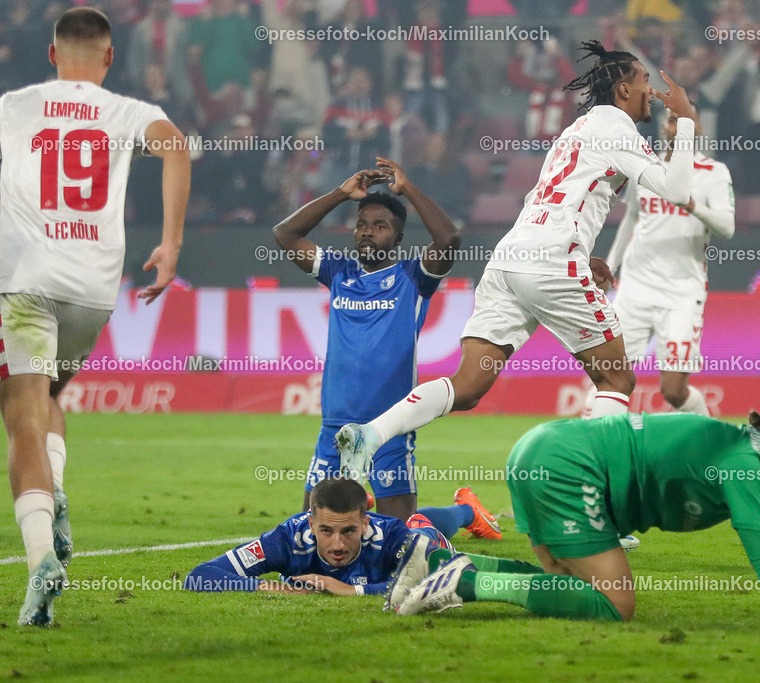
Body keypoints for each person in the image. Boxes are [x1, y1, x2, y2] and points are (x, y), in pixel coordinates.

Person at [336, 40, 698, 477]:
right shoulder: (619, 128)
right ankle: (595, 502)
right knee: (617, 380)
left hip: (510, 259)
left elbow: (542, 197)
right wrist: (689, 121)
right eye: (644, 81)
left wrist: (582, 253)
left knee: (467, 387)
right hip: (551, 261)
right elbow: (678, 191)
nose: (652, 92)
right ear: (622, 91)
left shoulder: (576, 130)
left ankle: (369, 435)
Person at [0, 6, 190, 627]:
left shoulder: (15, 105)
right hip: (91, 289)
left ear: (51, 55)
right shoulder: (129, 111)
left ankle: (38, 563)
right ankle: (53, 492)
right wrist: (170, 245)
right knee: (53, 394)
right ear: (109, 58)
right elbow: (178, 150)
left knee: (22, 418)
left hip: (25, 285)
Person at [391, 393, 760, 624]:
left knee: (569, 582)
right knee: (614, 604)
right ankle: (467, 583)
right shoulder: (743, 466)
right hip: (568, 466)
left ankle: (435, 563)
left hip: (542, 448)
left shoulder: (736, 451)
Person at [272, 157, 463, 523]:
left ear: (398, 237)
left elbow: (449, 238)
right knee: (312, 529)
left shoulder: (414, 278)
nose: (367, 231)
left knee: (399, 537)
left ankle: (466, 511)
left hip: (391, 425)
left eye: (379, 226)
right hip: (335, 427)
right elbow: (285, 235)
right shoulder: (338, 272)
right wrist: (340, 194)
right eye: (361, 224)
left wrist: (406, 189)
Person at [603, 107, 734, 417]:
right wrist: (612, 264)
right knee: (610, 379)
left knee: (673, 391)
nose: (674, 126)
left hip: (681, 292)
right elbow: (633, 215)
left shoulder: (714, 173)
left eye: (683, 120)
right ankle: (605, 452)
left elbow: (726, 228)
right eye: (671, 120)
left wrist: (692, 206)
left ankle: (708, 437)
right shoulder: (648, 170)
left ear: (698, 129)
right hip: (634, 290)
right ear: (663, 127)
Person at [185, 479, 500, 595]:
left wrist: (354, 592)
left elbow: (442, 578)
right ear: (310, 523)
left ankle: (468, 511)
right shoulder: (286, 539)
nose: (337, 544)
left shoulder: (390, 538)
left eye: (348, 530)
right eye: (326, 530)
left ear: (364, 524)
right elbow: (199, 577)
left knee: (421, 526)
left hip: (412, 535)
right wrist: (269, 588)